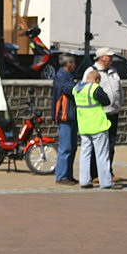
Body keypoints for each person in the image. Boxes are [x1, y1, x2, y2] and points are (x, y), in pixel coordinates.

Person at [74, 69, 121, 190]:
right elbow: (106, 101)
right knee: (102, 155)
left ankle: (84, 181)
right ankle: (106, 182)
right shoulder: (94, 88)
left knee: (85, 154)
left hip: (84, 126)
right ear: (96, 80)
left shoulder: (77, 89)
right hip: (97, 126)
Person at [81, 47, 123, 181]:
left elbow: (119, 89)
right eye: (109, 57)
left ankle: (108, 172)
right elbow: (85, 90)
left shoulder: (113, 71)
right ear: (102, 57)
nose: (111, 59)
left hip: (113, 112)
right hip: (99, 114)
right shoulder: (91, 71)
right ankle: (95, 174)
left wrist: (120, 103)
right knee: (97, 146)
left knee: (110, 145)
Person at [52, 53, 78, 185]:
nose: (75, 66)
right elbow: (69, 89)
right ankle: (61, 176)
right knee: (65, 147)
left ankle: (68, 175)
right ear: (69, 64)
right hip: (65, 115)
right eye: (73, 63)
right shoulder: (61, 76)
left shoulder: (67, 76)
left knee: (72, 147)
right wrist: (82, 86)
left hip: (71, 115)